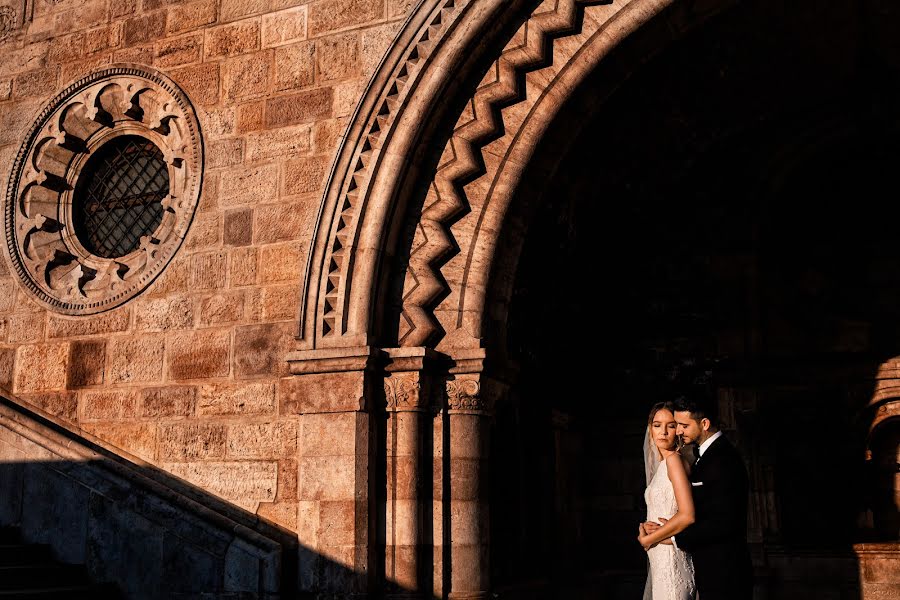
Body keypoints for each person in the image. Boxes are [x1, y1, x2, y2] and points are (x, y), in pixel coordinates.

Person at [644, 394, 753, 600]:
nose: (677, 431)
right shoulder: (702, 456)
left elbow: (724, 522)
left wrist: (672, 537)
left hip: (726, 573)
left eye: (683, 425)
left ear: (704, 423)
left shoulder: (723, 458)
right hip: (709, 570)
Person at [637, 401, 697, 599]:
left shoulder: (674, 461)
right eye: (657, 425)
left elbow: (687, 515)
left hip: (672, 565)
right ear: (650, 429)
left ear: (678, 430)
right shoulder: (663, 466)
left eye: (670, 425)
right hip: (660, 564)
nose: (663, 431)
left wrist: (649, 539)